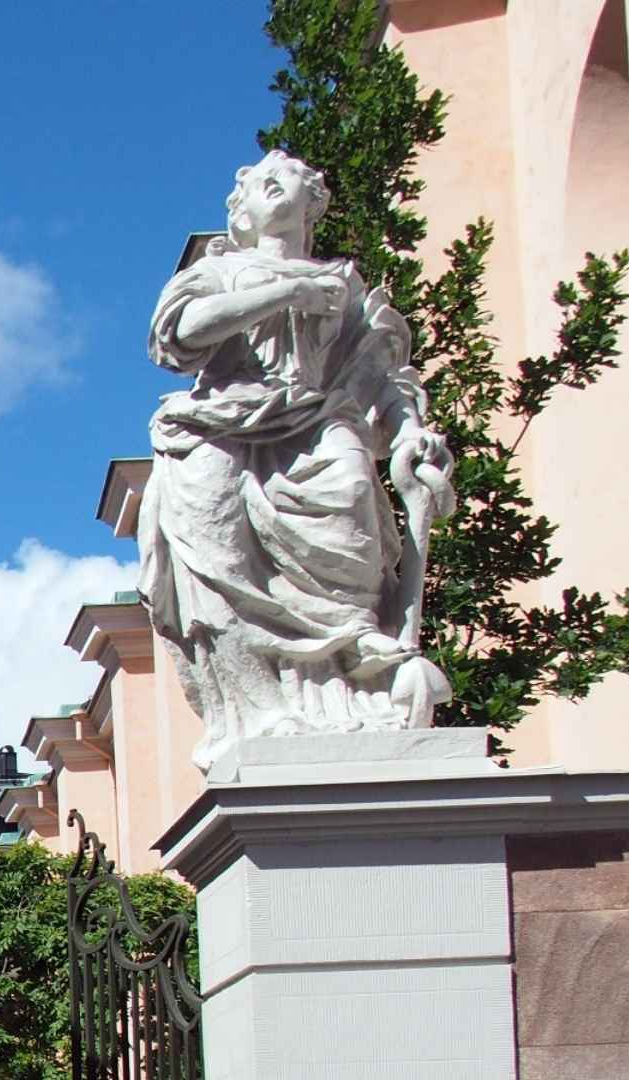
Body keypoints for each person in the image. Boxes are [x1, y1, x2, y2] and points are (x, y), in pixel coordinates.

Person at [140, 150, 456, 770]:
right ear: (243, 214)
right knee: (218, 568)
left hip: (318, 419)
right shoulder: (219, 271)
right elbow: (177, 338)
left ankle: (356, 677)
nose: (276, 183)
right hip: (218, 431)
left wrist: (409, 430)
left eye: (290, 180)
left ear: (313, 204)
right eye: (263, 182)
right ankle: (259, 708)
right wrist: (286, 291)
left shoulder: (345, 283)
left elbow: (381, 372)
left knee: (351, 508)